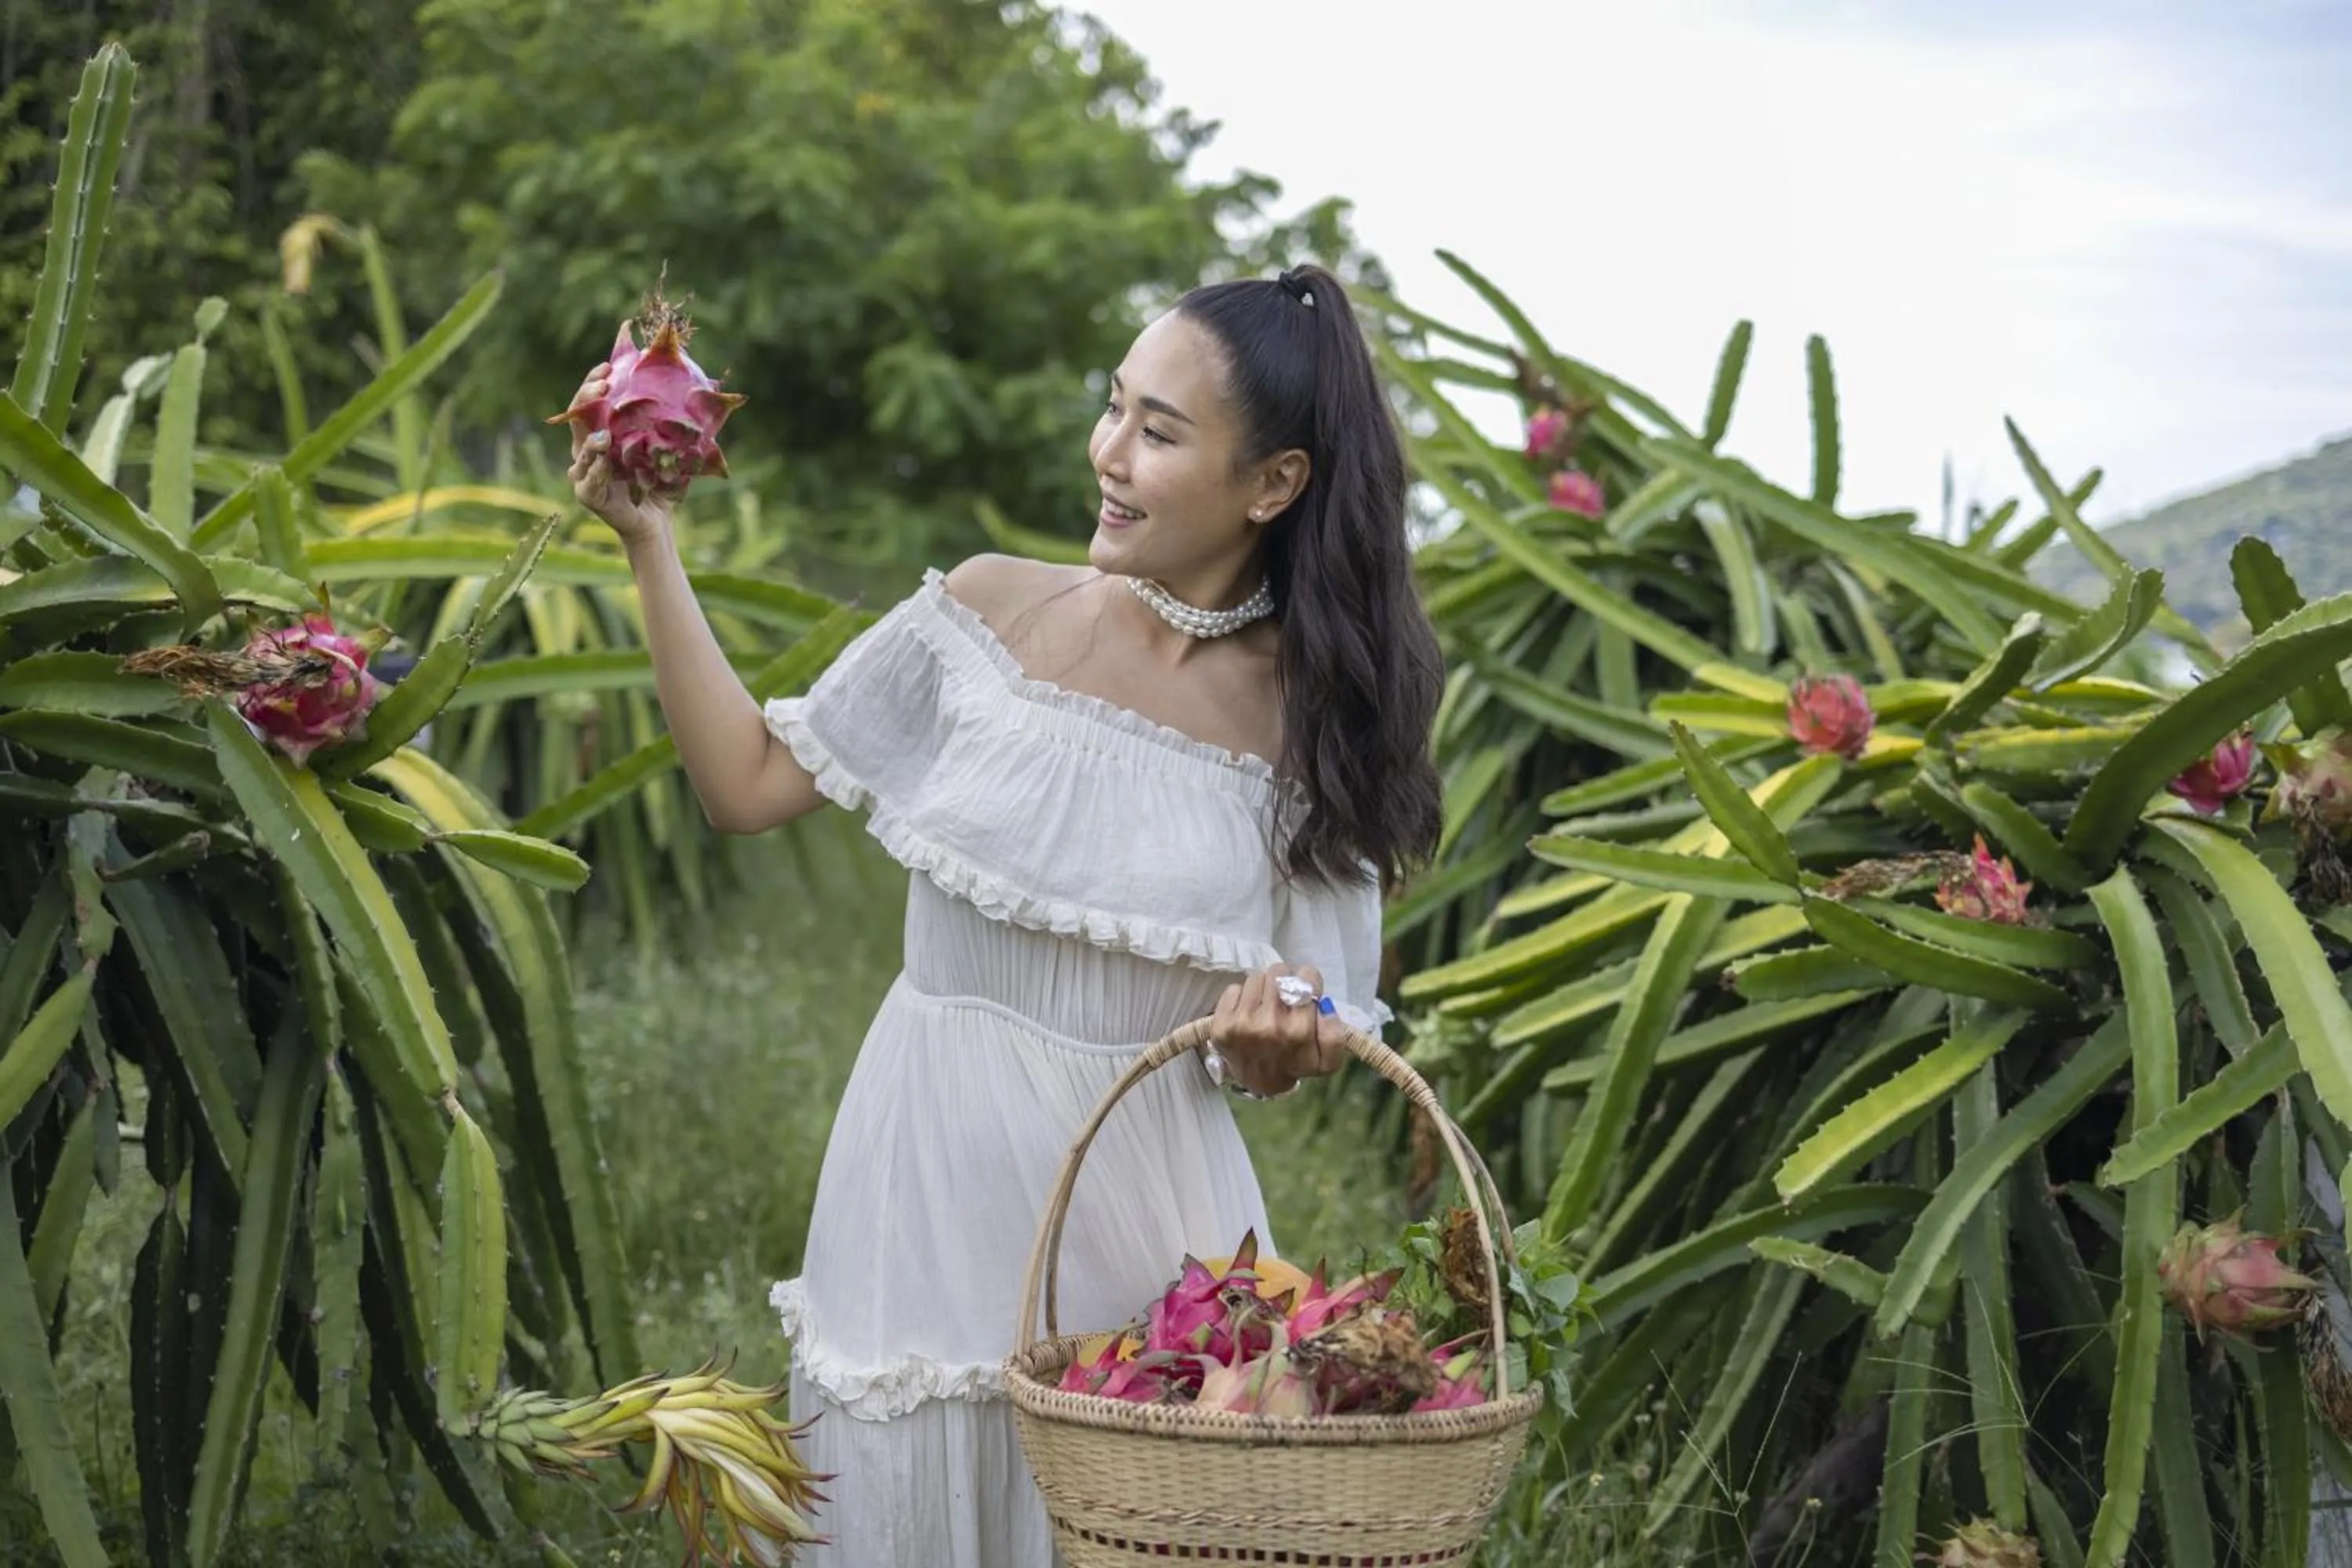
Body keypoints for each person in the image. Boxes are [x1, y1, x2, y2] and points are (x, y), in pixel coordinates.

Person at [565, 262, 1446, 1564]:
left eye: (1159, 432)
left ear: (1274, 484)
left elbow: (1311, 1014)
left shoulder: (1311, 728)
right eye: (1114, 409)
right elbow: (747, 782)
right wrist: (652, 545)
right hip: (913, 1189)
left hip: (1141, 1232)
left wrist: (1282, 1036)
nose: (1111, 454)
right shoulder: (988, 611)